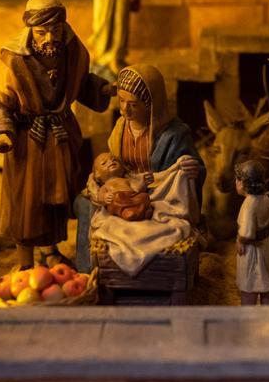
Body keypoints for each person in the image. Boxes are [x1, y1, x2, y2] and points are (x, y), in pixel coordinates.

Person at [0, 0, 116, 270]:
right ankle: (25, 263)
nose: (49, 38)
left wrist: (104, 88)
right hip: (26, 140)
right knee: (25, 202)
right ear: (31, 30)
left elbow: (81, 83)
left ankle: (50, 252)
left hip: (60, 137)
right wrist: (3, 133)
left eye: (54, 30)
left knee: (55, 201)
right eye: (42, 32)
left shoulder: (72, 50)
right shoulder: (12, 59)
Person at [73, 63, 205, 270]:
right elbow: (108, 170)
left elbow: (194, 171)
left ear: (151, 104)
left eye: (133, 104)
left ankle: (153, 266)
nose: (125, 110)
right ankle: (89, 268)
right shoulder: (119, 128)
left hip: (159, 191)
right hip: (123, 187)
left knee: (161, 216)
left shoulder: (175, 134)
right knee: (83, 203)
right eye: (122, 101)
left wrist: (192, 171)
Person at [234, 159, 269, 306]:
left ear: (243, 183)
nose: (236, 182)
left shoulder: (249, 204)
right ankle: (266, 314)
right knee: (266, 284)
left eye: (237, 179)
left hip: (251, 251)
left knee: (249, 285)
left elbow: (247, 232)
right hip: (266, 247)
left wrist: (240, 240)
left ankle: (249, 317)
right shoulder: (267, 200)